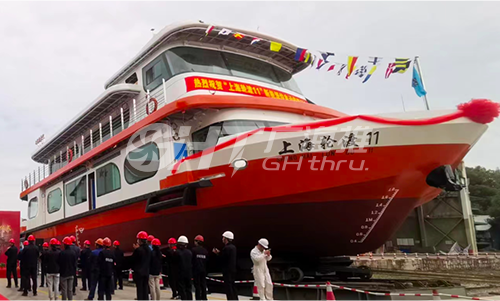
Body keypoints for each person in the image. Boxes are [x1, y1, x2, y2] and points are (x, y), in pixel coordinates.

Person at [213, 231, 238, 301]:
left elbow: (223, 259)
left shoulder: (226, 248)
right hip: (233, 270)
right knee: (233, 286)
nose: (222, 239)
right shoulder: (233, 247)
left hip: (227, 271)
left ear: (226, 239)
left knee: (228, 288)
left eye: (223, 237)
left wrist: (217, 254)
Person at [132, 231, 151, 301]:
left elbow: (133, 260)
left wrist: (136, 250)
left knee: (140, 290)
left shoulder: (138, 250)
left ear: (140, 240)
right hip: (146, 272)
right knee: (145, 289)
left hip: (139, 273)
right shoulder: (149, 250)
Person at [59, 237, 77, 301]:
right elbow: (75, 263)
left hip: (64, 273)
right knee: (70, 289)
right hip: (71, 273)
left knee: (64, 289)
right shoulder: (73, 253)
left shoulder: (62, 253)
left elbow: (59, 262)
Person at [192, 235, 208, 301]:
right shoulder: (205, 251)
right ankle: (204, 298)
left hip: (196, 271)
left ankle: (198, 299)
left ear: (197, 242)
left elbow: (192, 261)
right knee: (203, 285)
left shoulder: (193, 250)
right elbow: (207, 261)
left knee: (197, 286)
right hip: (203, 271)